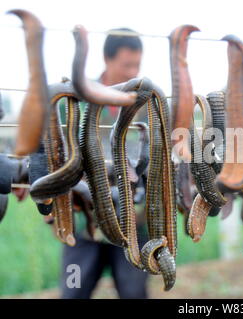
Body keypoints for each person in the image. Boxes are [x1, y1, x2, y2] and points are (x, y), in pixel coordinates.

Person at [60, 28, 149, 299]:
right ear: (106, 59)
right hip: (82, 227)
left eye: (137, 64)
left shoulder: (147, 103)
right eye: (126, 65)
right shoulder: (75, 101)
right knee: (73, 291)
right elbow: (57, 156)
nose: (133, 71)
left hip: (133, 225)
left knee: (135, 293)